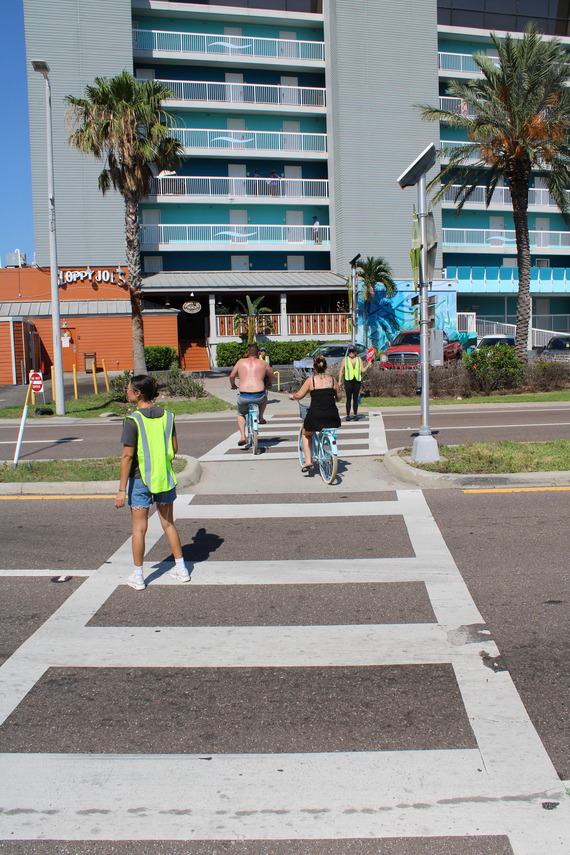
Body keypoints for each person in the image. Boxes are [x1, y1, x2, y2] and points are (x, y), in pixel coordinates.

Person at [115, 375, 190, 590]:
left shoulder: (133, 420)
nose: (126, 392)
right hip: (164, 478)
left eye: (129, 389)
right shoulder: (168, 416)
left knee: (139, 529)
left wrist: (122, 490)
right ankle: (182, 569)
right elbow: (174, 448)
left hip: (140, 480)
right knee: (168, 523)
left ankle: (138, 576)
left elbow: (127, 457)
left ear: (138, 393)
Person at [289, 355, 341, 472]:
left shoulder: (311, 380)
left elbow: (299, 395)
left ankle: (308, 461)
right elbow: (339, 397)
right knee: (325, 427)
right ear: (326, 366)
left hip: (316, 415)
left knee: (306, 434)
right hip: (332, 416)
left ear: (314, 367)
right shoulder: (332, 380)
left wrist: (293, 396)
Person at [229, 343, 275, 445]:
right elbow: (272, 375)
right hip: (259, 395)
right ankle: (261, 417)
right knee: (265, 395)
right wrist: (269, 384)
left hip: (244, 395)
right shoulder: (262, 363)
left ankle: (242, 436)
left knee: (241, 414)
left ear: (247, 353)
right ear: (258, 353)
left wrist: (233, 385)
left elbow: (232, 376)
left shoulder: (241, 362)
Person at [338, 344, 371, 421]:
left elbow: (362, 370)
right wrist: (339, 381)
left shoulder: (359, 359)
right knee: (348, 398)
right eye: (350, 351)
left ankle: (355, 414)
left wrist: (368, 365)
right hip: (348, 380)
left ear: (355, 352)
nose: (351, 353)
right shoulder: (345, 359)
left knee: (355, 398)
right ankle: (348, 415)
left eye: (352, 351)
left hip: (357, 380)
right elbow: (341, 370)